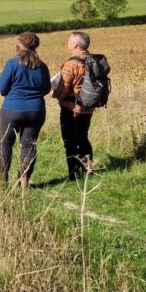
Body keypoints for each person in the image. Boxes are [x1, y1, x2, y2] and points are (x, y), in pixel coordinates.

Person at [0, 31, 51, 187]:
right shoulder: (42, 66)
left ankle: (1, 182)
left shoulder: (12, 64)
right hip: (36, 110)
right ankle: (24, 180)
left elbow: (2, 88)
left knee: (5, 143)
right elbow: (46, 89)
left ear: (19, 44)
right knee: (29, 145)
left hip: (12, 109)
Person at [52, 30, 96, 180]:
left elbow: (63, 89)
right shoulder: (93, 60)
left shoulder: (71, 64)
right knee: (83, 137)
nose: (68, 43)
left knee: (70, 141)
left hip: (72, 108)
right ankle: (89, 169)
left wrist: (54, 93)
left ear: (75, 44)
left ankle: (74, 175)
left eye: (69, 41)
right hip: (89, 108)